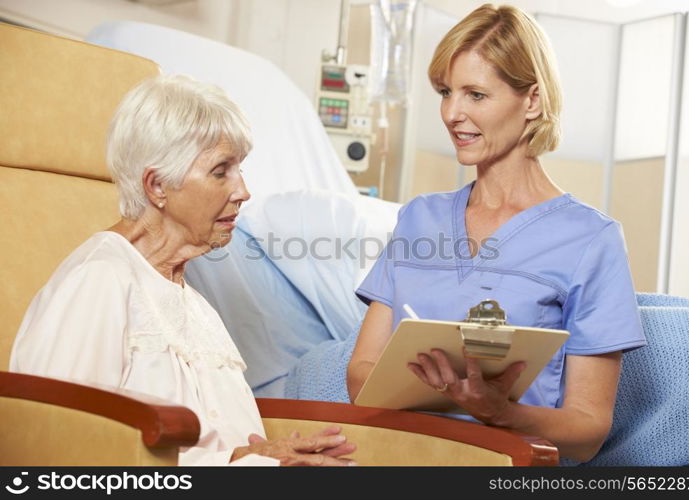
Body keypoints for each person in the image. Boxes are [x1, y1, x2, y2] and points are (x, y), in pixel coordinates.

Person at [347, 4, 646, 463]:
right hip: (398, 458)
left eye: (476, 95)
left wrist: (501, 412)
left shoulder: (591, 239)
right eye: (445, 92)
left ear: (533, 101)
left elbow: (587, 430)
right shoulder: (418, 218)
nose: (451, 113)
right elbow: (360, 374)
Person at [10, 74, 356, 467]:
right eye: (220, 171)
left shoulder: (195, 307)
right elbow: (60, 454)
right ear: (157, 186)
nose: (243, 191)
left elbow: (218, 450)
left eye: (239, 169)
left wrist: (262, 456)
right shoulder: (98, 281)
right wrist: (241, 462)